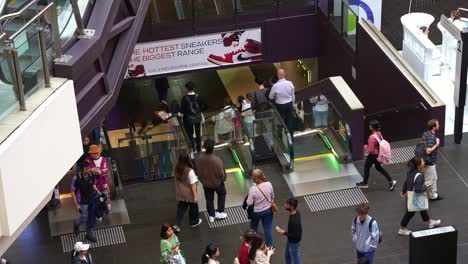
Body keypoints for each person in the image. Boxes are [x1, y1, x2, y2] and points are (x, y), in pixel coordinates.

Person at [398, 157, 441, 236]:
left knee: (422, 208)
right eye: (422, 162)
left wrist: (403, 191)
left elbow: (406, 182)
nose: (424, 162)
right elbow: (418, 189)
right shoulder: (419, 175)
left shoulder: (410, 172)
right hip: (415, 197)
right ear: (418, 165)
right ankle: (402, 229)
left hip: (409, 195)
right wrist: (425, 186)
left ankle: (430, 222)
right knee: (410, 212)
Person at [356, 120, 397, 190]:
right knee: (378, 167)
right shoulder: (378, 133)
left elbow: (370, 150)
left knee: (366, 167)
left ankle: (365, 183)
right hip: (378, 154)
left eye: (370, 126)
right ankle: (391, 181)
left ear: (372, 128)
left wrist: (364, 146)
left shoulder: (372, 137)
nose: (369, 126)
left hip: (373, 155)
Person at [196, 138, 227, 223]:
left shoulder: (199, 159)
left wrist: (202, 180)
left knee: (209, 199)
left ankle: (211, 215)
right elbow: (221, 174)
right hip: (217, 183)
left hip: (206, 184)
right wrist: (222, 179)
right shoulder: (216, 160)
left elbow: (198, 172)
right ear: (213, 147)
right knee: (222, 193)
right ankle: (220, 211)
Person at [173, 151, 202, 232]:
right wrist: (195, 196)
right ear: (187, 159)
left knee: (181, 209)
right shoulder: (189, 171)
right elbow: (193, 185)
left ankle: (177, 225)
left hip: (180, 193)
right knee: (193, 207)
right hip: (189, 193)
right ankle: (194, 222)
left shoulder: (176, 168)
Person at [72, 161, 100, 243]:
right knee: (84, 217)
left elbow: (93, 184)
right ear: (82, 170)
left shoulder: (91, 175)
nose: (88, 170)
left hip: (92, 198)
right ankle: (76, 224)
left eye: (89, 168)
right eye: (86, 169)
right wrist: (76, 205)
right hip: (82, 200)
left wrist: (98, 191)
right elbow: (72, 191)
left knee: (91, 217)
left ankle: (89, 233)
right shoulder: (76, 178)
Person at [246, 169, 274, 246]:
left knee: (254, 228)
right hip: (268, 210)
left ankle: (254, 245)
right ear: (262, 176)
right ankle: (270, 247)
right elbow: (272, 197)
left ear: (254, 178)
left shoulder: (253, 189)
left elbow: (249, 202)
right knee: (267, 229)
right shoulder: (269, 184)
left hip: (256, 212)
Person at [180, 81, 206, 152]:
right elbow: (204, 106)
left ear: (187, 88)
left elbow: (182, 110)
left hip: (188, 119)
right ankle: (199, 148)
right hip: (197, 117)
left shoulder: (184, 98)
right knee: (198, 133)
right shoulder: (198, 97)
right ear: (193, 88)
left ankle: (192, 149)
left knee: (190, 134)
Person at [421, 119, 443, 201]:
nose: (439, 126)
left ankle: (433, 195)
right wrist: (436, 144)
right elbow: (428, 150)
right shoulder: (431, 137)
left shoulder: (426, 133)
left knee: (434, 178)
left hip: (427, 161)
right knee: (429, 181)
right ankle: (418, 194)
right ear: (434, 127)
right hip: (429, 163)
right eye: (437, 125)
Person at [276, 198, 302, 264]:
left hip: (294, 243)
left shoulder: (294, 221)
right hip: (290, 240)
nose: (285, 205)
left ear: (292, 207)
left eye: (287, 204)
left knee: (296, 260)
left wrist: (284, 233)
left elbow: (296, 235)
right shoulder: (296, 213)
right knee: (287, 255)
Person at [269, 69, 295, 135]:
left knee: (280, 121)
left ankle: (280, 136)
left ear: (278, 75)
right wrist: (293, 104)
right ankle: (290, 137)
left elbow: (270, 97)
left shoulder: (275, 86)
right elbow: (293, 95)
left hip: (280, 105)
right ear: (284, 74)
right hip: (289, 104)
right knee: (290, 120)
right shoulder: (290, 83)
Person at [85, 145, 111, 210]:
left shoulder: (103, 159)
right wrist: (91, 170)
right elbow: (85, 170)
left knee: (105, 198)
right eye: (90, 154)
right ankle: (98, 213)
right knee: (95, 200)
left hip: (103, 182)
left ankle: (106, 206)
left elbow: (106, 169)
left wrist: (100, 171)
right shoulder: (87, 160)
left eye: (92, 154)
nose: (91, 155)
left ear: (97, 153)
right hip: (93, 184)